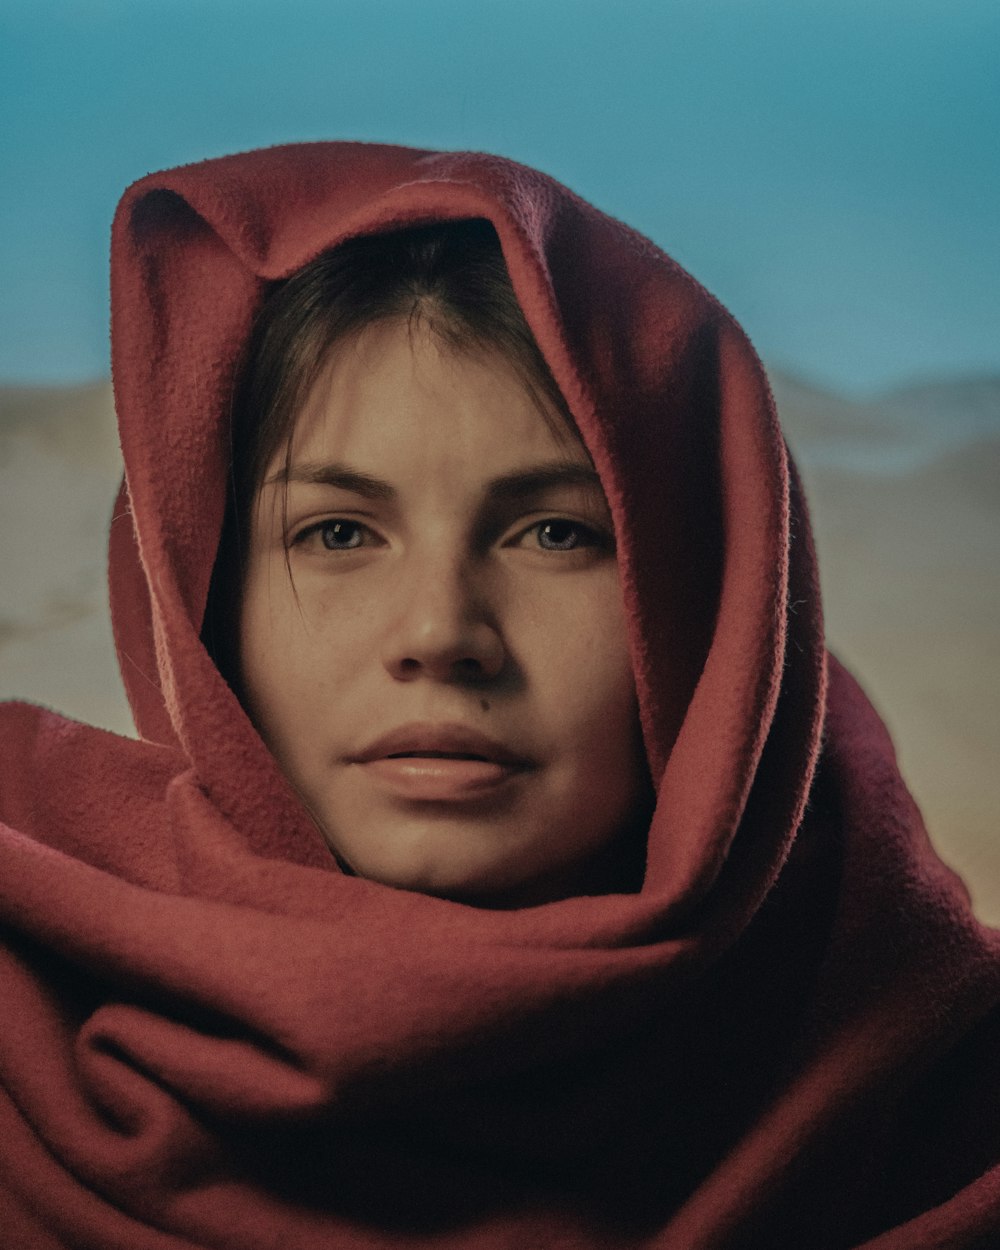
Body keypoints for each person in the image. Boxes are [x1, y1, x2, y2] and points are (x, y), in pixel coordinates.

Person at [0, 141, 997, 1248]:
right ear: (197, 601)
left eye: (554, 532)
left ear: (708, 606)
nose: (440, 633)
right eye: (336, 532)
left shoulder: (937, 1084)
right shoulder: (23, 1037)